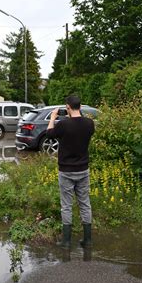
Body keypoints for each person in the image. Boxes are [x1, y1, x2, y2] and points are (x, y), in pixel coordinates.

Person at [46, 95, 95, 249]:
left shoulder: (63, 124)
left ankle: (66, 242)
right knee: (85, 204)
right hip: (83, 169)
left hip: (66, 171)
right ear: (80, 106)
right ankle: (87, 241)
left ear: (67, 107)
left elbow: (49, 134)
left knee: (66, 206)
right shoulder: (89, 123)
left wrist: (53, 117)